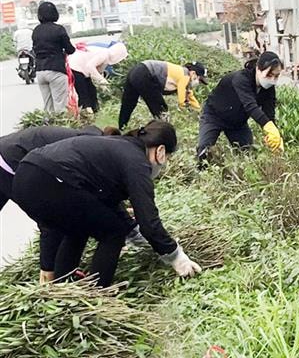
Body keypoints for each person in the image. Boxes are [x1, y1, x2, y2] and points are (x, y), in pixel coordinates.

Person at [11, 120, 201, 287]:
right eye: (167, 158)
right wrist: (176, 257)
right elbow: (149, 220)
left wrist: (134, 234)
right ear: (160, 151)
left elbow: (106, 205)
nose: (164, 163)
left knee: (78, 227)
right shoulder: (137, 162)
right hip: (50, 179)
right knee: (113, 232)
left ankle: (62, 289)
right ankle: (97, 294)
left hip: (25, 176)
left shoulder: (119, 147)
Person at [0, 125, 119, 283]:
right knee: (53, 214)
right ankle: (49, 277)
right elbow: (49, 217)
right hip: (9, 162)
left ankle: (58, 274)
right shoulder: (90, 150)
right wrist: (48, 267)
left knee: (65, 212)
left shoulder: (95, 142)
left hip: (13, 152)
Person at [197, 51, 284, 162]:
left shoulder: (269, 89)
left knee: (248, 156)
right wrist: (268, 126)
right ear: (258, 69)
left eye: (276, 76)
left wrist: (273, 134)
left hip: (237, 123)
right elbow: (250, 106)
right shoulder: (241, 79)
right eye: (269, 75)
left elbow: (269, 113)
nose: (272, 79)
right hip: (214, 116)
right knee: (204, 151)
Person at [118, 60, 208, 130]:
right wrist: (184, 109)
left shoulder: (181, 74)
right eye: (199, 80)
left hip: (137, 70)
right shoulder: (185, 76)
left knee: (128, 103)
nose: (198, 83)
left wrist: (199, 111)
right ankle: (163, 133)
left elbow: (190, 97)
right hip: (145, 74)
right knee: (161, 110)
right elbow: (181, 100)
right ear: (193, 73)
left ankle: (121, 127)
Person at [32, 2, 76, 113]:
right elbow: (70, 49)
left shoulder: (36, 30)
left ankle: (48, 128)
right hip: (56, 70)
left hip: (40, 71)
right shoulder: (59, 29)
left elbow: (34, 49)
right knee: (60, 106)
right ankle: (60, 129)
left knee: (48, 108)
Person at [68, 42, 128, 113]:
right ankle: (87, 114)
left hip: (84, 70)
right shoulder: (104, 54)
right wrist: (101, 80)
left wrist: (103, 84)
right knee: (83, 93)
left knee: (92, 91)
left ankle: (95, 111)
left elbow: (99, 72)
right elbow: (90, 66)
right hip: (76, 67)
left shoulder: (106, 58)